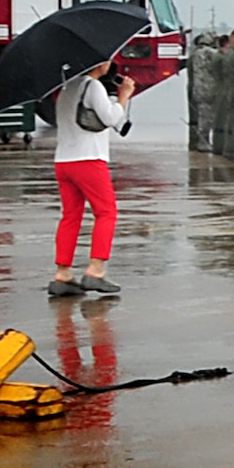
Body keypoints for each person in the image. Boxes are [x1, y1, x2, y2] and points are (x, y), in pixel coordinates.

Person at [48, 61, 134, 297]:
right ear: (100, 63)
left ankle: (62, 273)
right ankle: (96, 270)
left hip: (64, 160)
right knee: (106, 212)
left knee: (70, 216)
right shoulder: (93, 86)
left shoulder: (66, 88)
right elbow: (109, 118)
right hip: (89, 159)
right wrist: (123, 96)